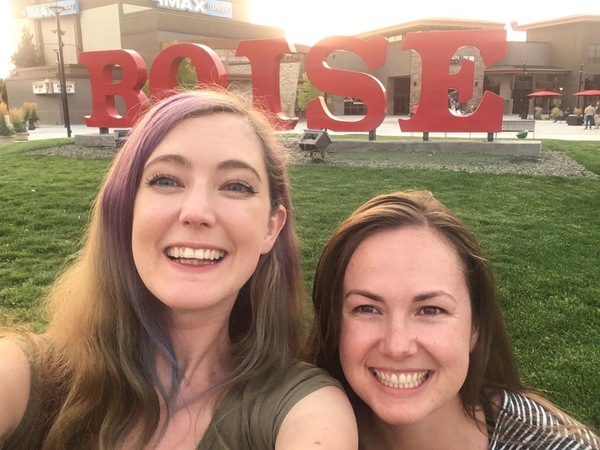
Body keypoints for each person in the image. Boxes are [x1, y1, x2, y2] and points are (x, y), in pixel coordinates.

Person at [0, 89, 358, 449]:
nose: (197, 212)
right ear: (124, 209)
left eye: (236, 185)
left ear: (271, 228)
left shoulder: (304, 409)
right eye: (166, 180)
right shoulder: (28, 377)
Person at [307, 190, 600, 449]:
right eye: (367, 309)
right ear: (333, 323)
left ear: (475, 326)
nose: (397, 346)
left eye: (431, 310)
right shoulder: (290, 427)